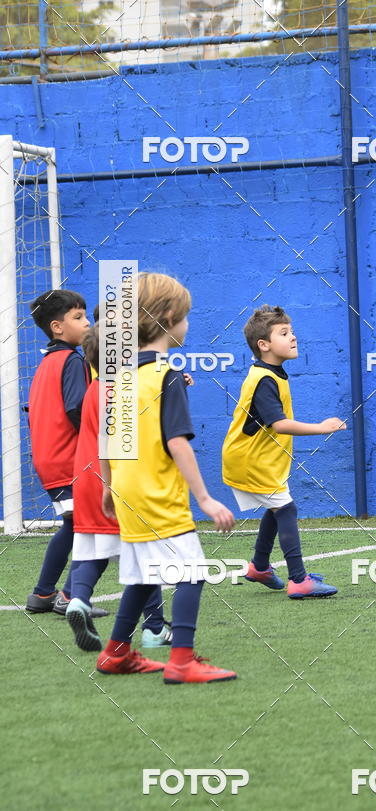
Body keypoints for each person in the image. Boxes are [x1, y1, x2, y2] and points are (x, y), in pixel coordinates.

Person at [96, 272, 238, 684]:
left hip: (127, 494)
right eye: (187, 316)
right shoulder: (167, 375)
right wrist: (207, 499)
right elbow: (178, 443)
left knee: (143, 576)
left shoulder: (116, 379)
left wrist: (107, 487)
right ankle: (182, 661)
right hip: (160, 496)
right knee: (191, 571)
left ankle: (116, 653)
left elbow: (108, 442)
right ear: (171, 316)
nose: (188, 324)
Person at [222, 304, 346, 598]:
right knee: (286, 508)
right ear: (263, 345)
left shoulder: (271, 374)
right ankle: (299, 580)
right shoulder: (265, 379)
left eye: (292, 332)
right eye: (284, 333)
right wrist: (322, 427)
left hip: (256, 459)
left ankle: (260, 566)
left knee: (277, 507)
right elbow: (279, 424)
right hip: (251, 460)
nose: (293, 338)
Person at [65, 322, 172, 652]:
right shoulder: (127, 389)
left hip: (84, 478)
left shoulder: (94, 388)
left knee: (93, 553)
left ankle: (78, 600)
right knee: (145, 553)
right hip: (116, 479)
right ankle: (154, 627)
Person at [24, 289, 107, 618]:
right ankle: (69, 596)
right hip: (69, 460)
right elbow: (78, 408)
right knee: (90, 525)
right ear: (57, 327)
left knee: (74, 525)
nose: (88, 323)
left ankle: (44, 594)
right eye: (79, 317)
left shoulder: (48, 362)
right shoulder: (73, 360)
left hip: (49, 459)